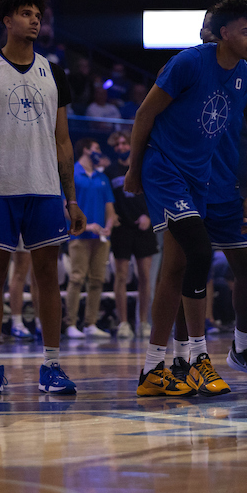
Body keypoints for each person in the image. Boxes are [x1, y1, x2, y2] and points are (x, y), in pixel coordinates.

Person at [127, 0, 247, 397]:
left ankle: (153, 368)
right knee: (201, 254)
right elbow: (145, 114)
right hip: (164, 168)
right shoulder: (189, 62)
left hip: (198, 178)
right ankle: (199, 359)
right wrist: (135, 169)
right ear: (224, 33)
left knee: (177, 268)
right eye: (246, 31)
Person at [0, 0, 86, 397]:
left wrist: (71, 197)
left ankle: (51, 365)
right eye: (26, 14)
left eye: (38, 14)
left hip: (46, 188)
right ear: (6, 20)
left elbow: (63, 142)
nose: (34, 20)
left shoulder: (54, 72)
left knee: (48, 277)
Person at [197, 10, 247, 384]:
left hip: (228, 188)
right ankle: (186, 357)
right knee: (188, 271)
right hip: (189, 186)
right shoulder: (187, 67)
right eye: (245, 31)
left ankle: (242, 348)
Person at [105, 128, 157, 340]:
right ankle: (123, 323)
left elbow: (155, 194)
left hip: (144, 226)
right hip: (122, 229)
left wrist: (149, 216)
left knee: (145, 277)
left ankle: (143, 321)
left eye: (125, 144)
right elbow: (108, 200)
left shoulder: (143, 166)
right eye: (117, 145)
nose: (121, 147)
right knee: (122, 277)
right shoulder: (110, 172)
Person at [65, 137, 117, 340]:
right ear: (86, 150)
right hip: (80, 234)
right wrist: (86, 225)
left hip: (100, 237)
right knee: (77, 278)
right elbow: (65, 207)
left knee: (97, 280)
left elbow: (110, 208)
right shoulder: (73, 173)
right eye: (96, 148)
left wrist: (109, 225)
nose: (99, 152)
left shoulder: (101, 178)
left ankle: (91, 323)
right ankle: (70, 323)